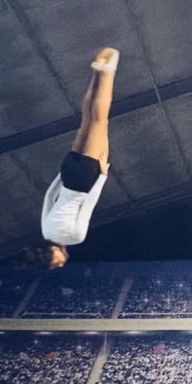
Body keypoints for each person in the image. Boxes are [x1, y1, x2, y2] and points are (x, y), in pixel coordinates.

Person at [41, 48, 120, 268]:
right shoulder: (46, 231)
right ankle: (96, 73)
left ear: (56, 255)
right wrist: (62, 174)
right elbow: (49, 197)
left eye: (58, 263)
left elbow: (88, 206)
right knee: (86, 120)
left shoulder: (75, 239)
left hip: (85, 180)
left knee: (100, 121)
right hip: (67, 174)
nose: (62, 263)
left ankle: (107, 73)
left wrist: (102, 176)